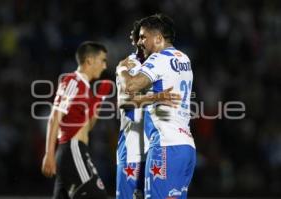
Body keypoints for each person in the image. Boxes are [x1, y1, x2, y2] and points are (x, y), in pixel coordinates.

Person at [117, 14, 196, 199]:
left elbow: (130, 86)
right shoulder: (184, 58)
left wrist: (121, 69)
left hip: (165, 145)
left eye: (144, 37)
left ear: (159, 38)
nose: (140, 42)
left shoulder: (158, 59)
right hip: (186, 146)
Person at [41, 41, 112, 199]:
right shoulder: (73, 81)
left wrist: (99, 99)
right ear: (89, 60)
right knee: (97, 196)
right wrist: (49, 153)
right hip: (72, 149)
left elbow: (88, 126)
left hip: (76, 150)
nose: (105, 66)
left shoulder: (85, 88)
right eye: (103, 60)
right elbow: (55, 117)